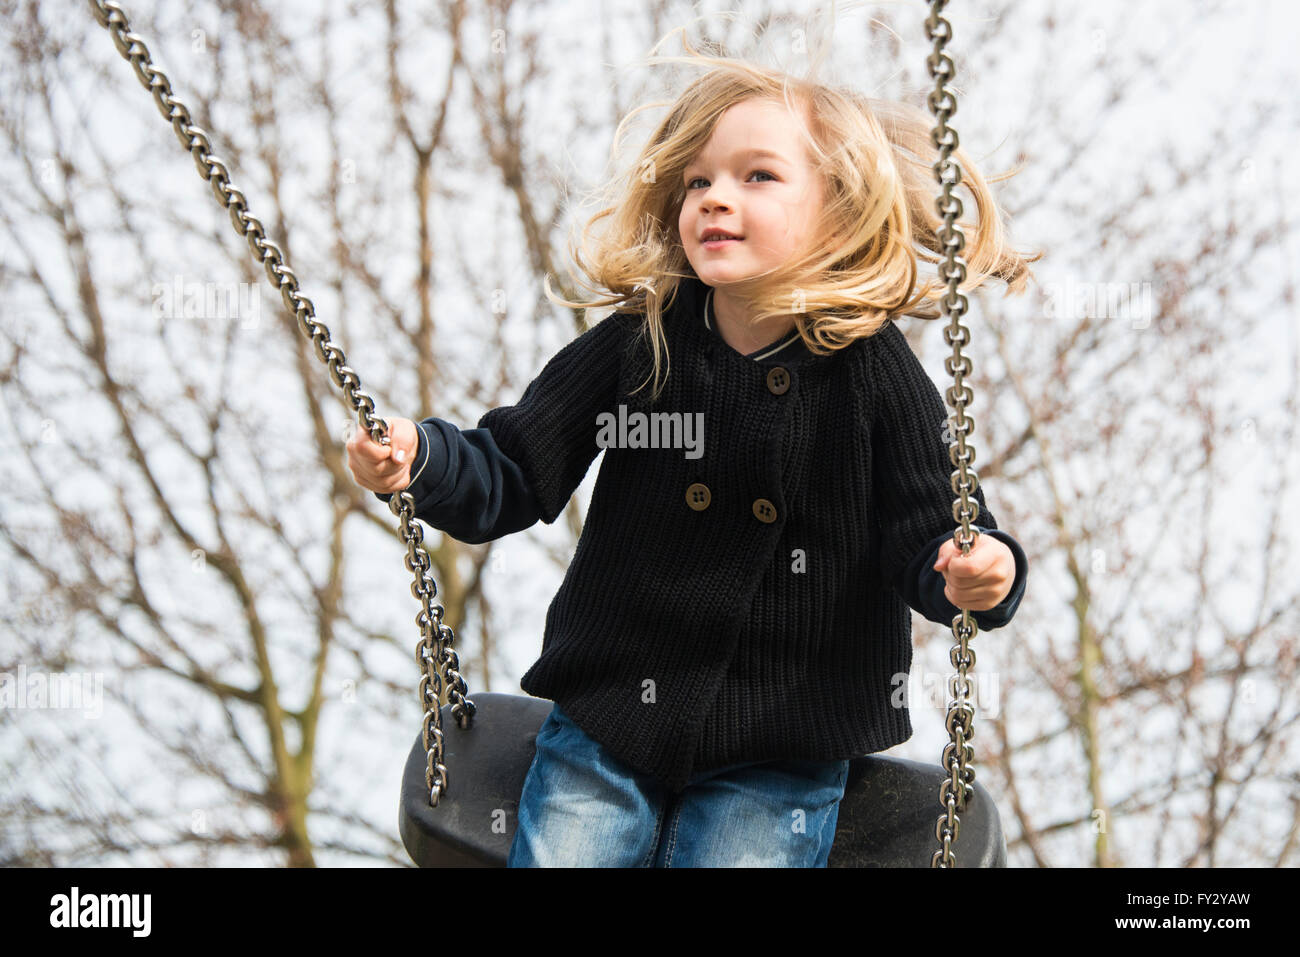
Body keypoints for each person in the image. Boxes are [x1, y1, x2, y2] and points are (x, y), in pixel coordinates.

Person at [347, 49, 1039, 867]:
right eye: (698, 181)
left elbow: (932, 534)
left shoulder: (875, 375)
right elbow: (512, 468)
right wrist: (422, 457)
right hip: (611, 714)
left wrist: (978, 569)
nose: (714, 197)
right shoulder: (640, 346)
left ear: (839, 210)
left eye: (757, 177)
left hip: (783, 736)